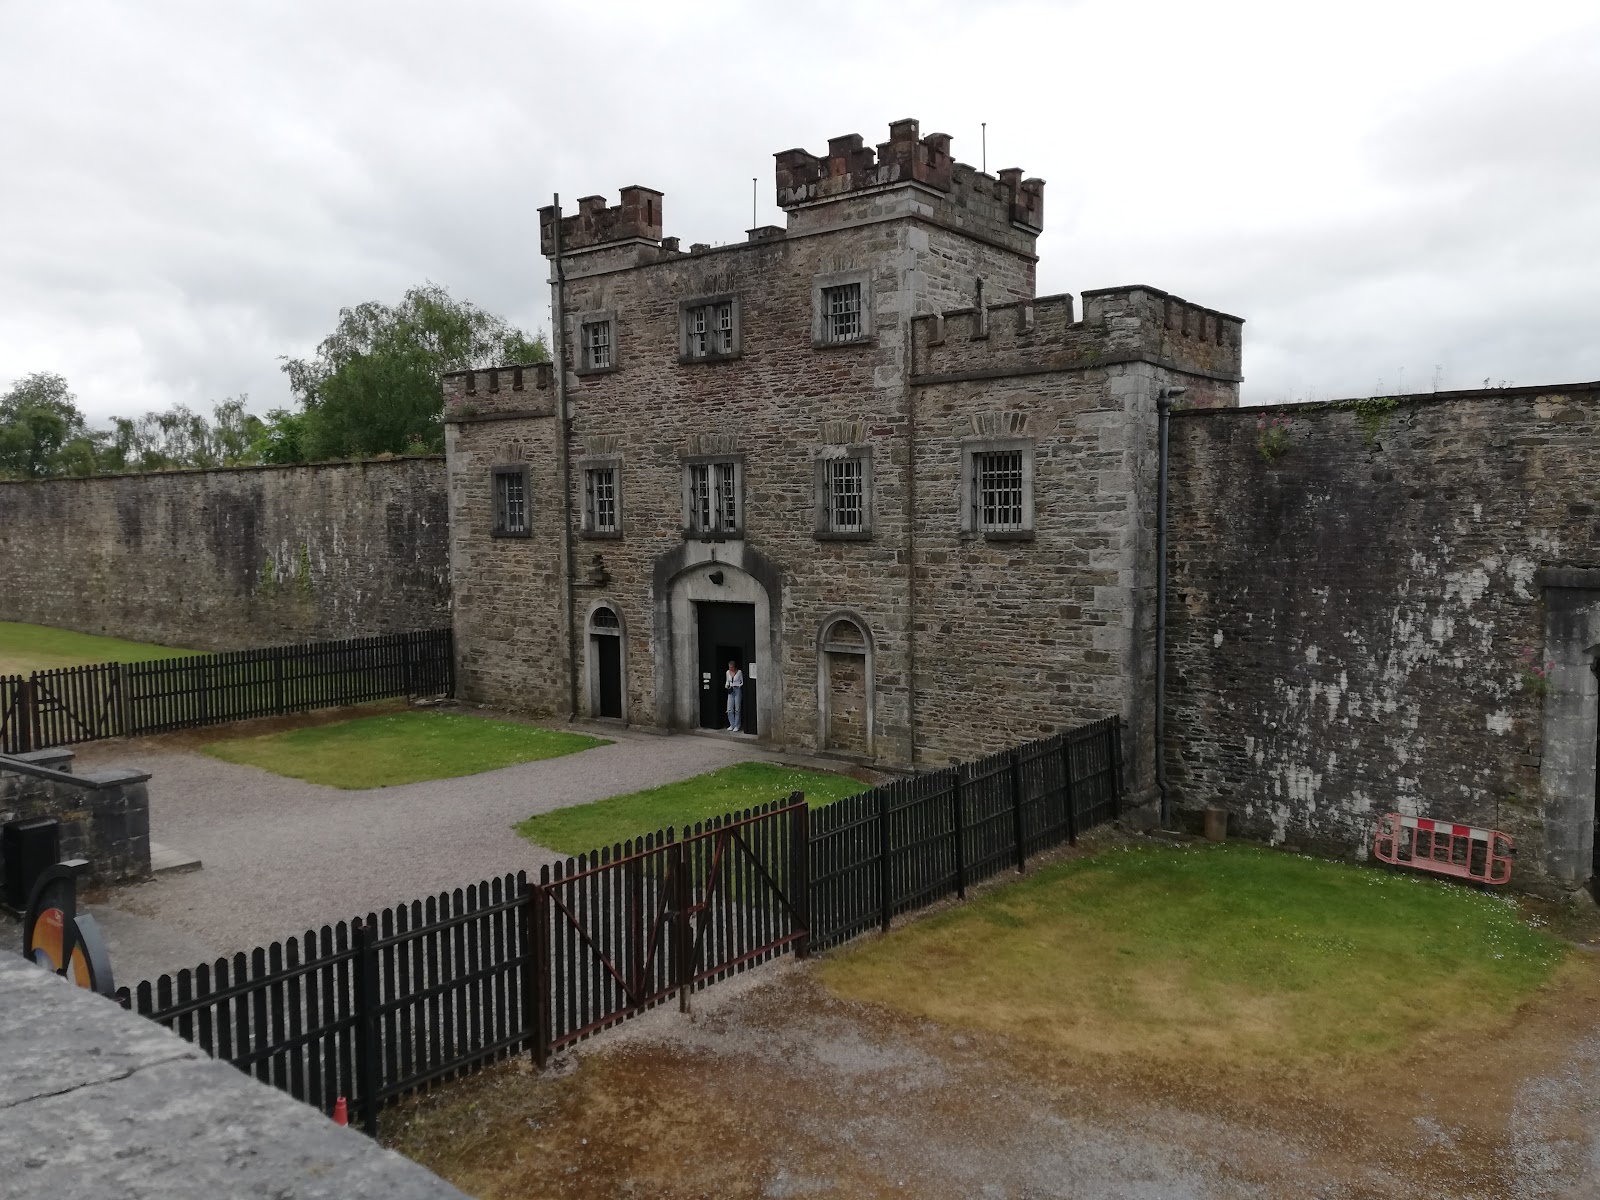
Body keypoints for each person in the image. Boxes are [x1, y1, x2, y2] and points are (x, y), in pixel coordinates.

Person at [724, 659, 745, 733]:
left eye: (732, 667)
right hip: (730, 690)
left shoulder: (739, 672)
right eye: (729, 667)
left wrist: (738, 685)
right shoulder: (727, 672)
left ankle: (737, 725)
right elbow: (727, 681)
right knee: (729, 709)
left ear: (735, 667)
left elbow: (742, 682)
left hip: (737, 690)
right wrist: (726, 685)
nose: (731, 669)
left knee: (737, 709)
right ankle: (732, 724)